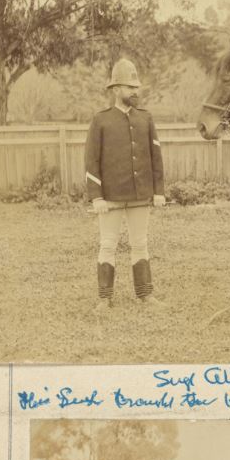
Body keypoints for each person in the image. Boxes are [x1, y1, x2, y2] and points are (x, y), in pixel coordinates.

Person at [85, 58, 166, 312]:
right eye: (130, 87)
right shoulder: (101, 120)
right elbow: (91, 160)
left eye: (136, 87)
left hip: (141, 195)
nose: (135, 92)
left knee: (140, 243)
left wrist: (158, 191)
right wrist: (96, 197)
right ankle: (104, 298)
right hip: (110, 197)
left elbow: (156, 157)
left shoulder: (145, 118)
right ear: (115, 90)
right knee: (107, 244)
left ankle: (145, 295)